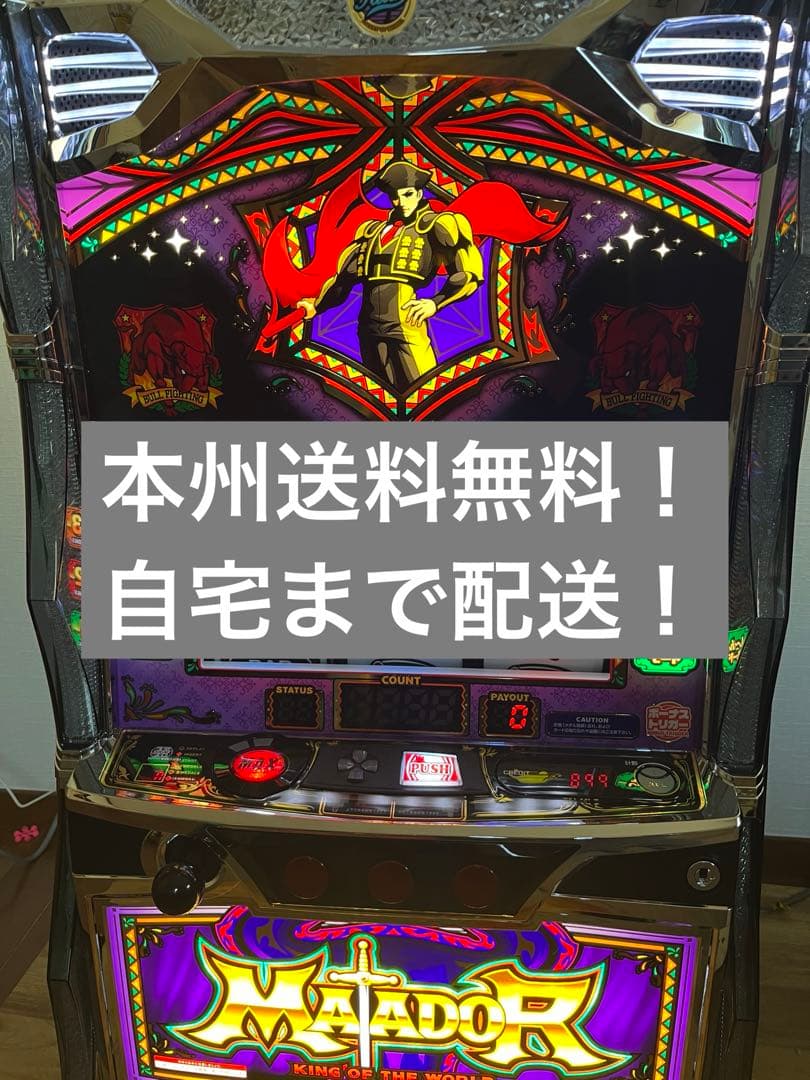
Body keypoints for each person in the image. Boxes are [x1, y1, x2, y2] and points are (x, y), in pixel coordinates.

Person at [299, 161, 484, 388]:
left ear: (419, 193)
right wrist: (317, 306)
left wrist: (435, 303)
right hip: (367, 327)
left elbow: (469, 274)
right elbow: (343, 280)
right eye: (395, 197)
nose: (401, 202)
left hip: (406, 323)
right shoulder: (370, 231)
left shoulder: (439, 224)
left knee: (423, 389)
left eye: (407, 194)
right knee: (377, 392)